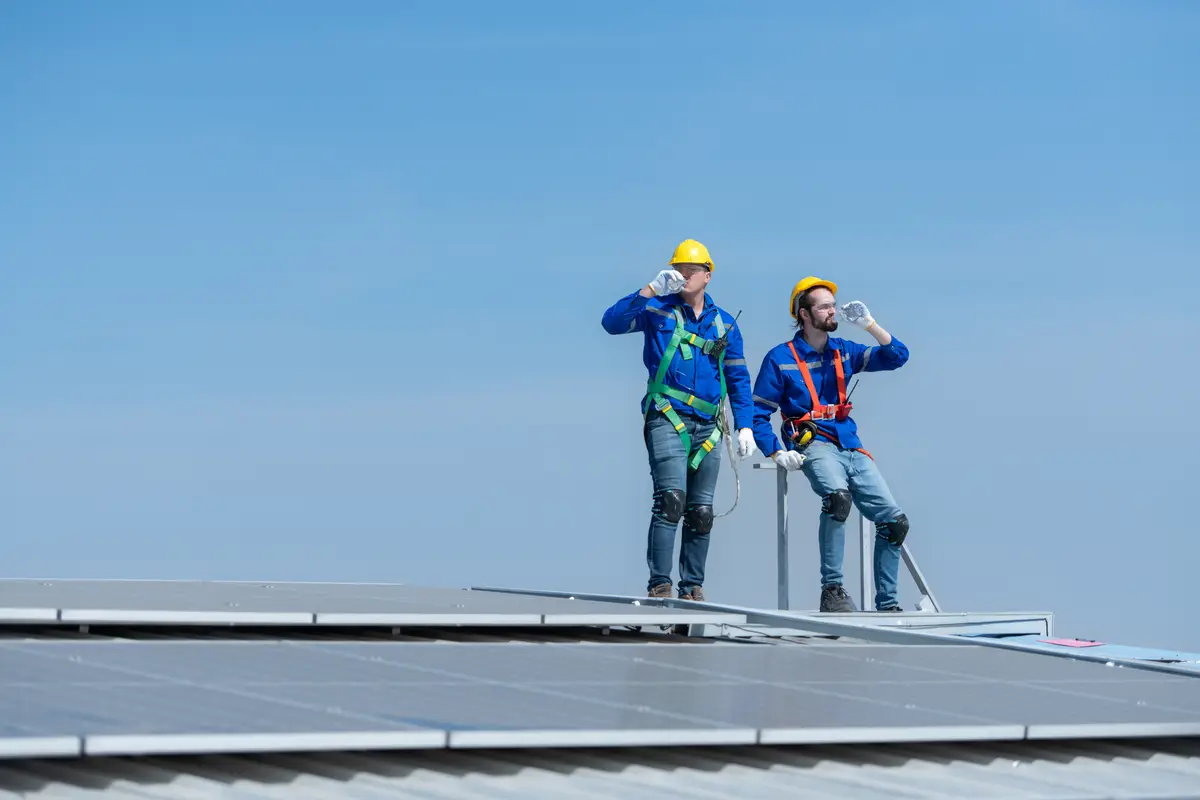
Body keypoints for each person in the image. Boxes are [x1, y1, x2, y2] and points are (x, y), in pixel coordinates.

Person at [601, 239, 756, 601]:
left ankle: (692, 589)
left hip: (709, 424)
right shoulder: (656, 310)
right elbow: (612, 322)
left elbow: (737, 378)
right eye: (679, 269)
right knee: (671, 499)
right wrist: (650, 289)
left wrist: (745, 423)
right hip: (667, 415)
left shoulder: (725, 325)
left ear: (708, 275)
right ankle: (660, 585)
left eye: (692, 270)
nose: (685, 275)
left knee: (701, 511)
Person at [750, 276, 911, 612]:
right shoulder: (780, 358)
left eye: (833, 305)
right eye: (824, 306)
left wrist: (870, 325)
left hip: (849, 443)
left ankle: (889, 606)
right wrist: (777, 451)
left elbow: (897, 356)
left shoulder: (844, 352)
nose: (832, 311)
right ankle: (832, 590)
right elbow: (757, 415)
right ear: (804, 314)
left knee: (895, 522)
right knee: (838, 500)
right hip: (814, 444)